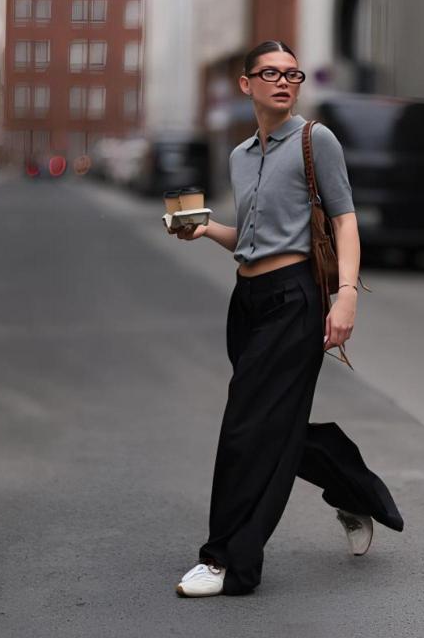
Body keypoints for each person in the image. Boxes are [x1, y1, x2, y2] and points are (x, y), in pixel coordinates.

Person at [171, 40, 403, 597]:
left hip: (294, 301)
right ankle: (355, 491)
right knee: (274, 426)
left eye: (292, 73)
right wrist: (207, 231)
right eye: (269, 73)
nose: (283, 81)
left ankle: (227, 560)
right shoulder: (240, 156)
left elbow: (344, 222)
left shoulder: (314, 140)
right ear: (246, 84)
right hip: (247, 302)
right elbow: (250, 241)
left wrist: (346, 295)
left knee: (246, 429)